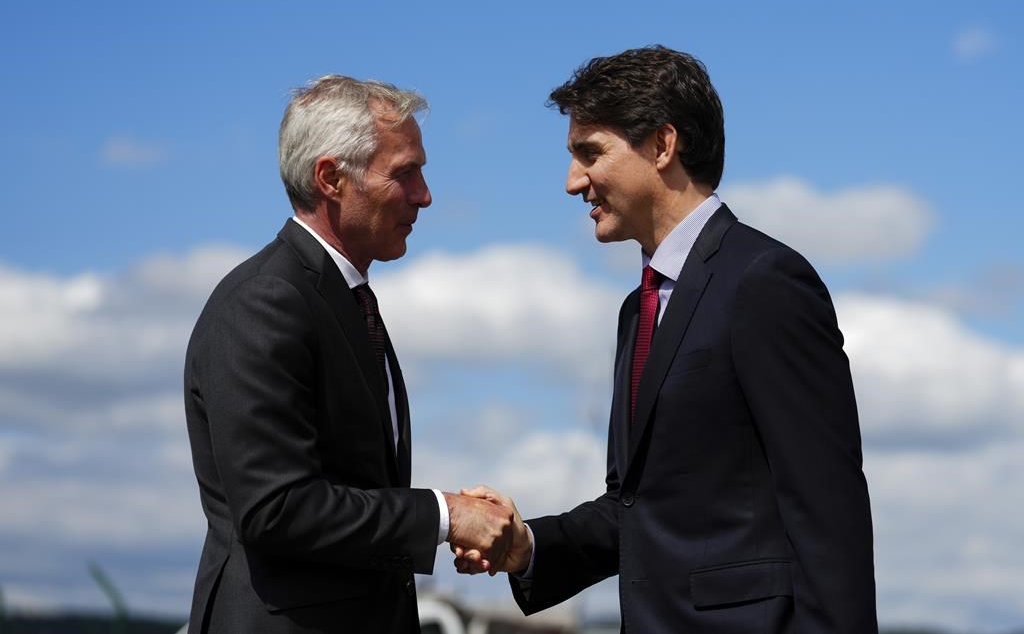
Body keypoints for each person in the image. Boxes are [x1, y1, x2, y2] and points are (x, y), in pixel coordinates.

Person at [457, 47, 878, 633]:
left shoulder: (765, 282)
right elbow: (634, 508)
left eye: (590, 153)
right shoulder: (639, 308)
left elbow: (828, 509)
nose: (573, 181)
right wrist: (527, 546)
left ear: (662, 145)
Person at [183, 75, 514, 634]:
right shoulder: (266, 302)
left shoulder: (341, 299)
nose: (425, 195)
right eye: (405, 173)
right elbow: (276, 508)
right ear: (332, 178)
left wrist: (447, 518)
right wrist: (445, 515)